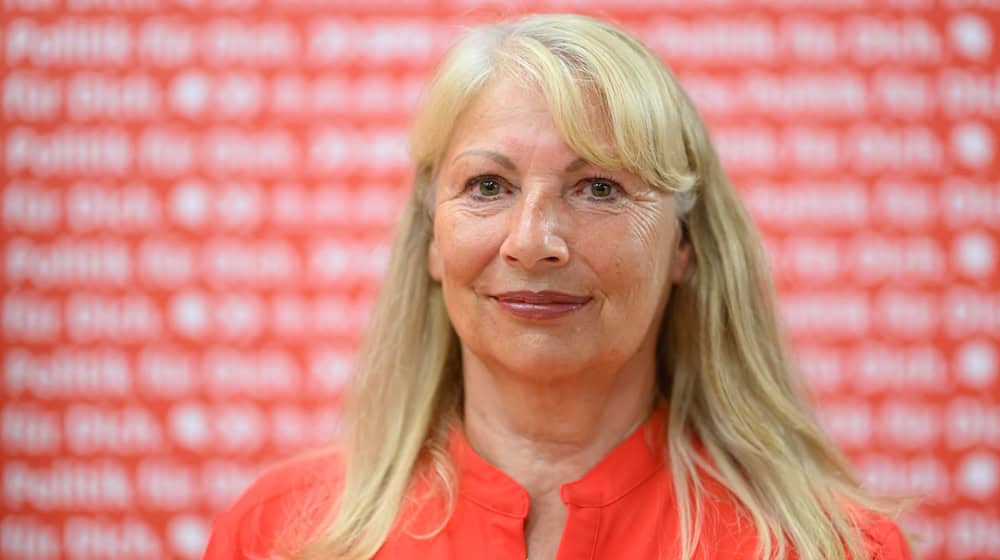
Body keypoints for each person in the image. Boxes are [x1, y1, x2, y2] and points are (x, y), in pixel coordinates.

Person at [204, 13, 912, 560]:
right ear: (431, 240)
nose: (532, 241)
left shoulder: (833, 547)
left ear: (685, 245)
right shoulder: (281, 531)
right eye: (489, 186)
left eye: (599, 187)